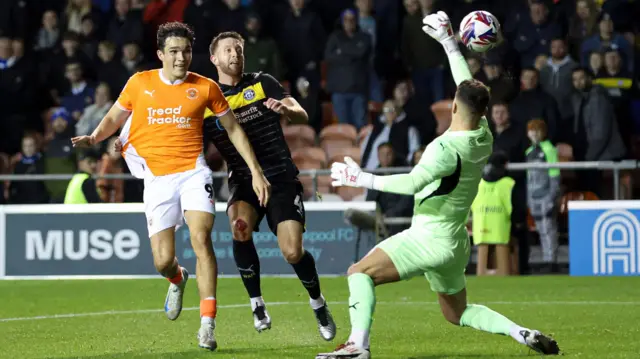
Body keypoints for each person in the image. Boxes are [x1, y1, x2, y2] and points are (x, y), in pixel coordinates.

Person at [316, 12, 560, 359]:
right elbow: (468, 86)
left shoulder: (446, 148)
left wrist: (361, 178)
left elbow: (414, 182)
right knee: (456, 313)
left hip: (428, 235)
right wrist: (449, 43)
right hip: (455, 240)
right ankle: (518, 331)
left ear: (456, 104)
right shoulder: (483, 135)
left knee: (359, 272)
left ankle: (358, 344)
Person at [71, 22, 270, 351]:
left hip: (193, 172)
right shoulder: (140, 83)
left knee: (201, 238)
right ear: (161, 54)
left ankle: (207, 324)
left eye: (187, 51)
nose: (181, 58)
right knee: (163, 261)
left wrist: (255, 170)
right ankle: (177, 279)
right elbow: (115, 117)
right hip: (158, 180)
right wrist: (95, 137)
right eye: (174, 52)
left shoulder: (205, 87)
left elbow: (234, 130)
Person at [202, 31, 336, 341]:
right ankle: (257, 304)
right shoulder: (208, 99)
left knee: (292, 252)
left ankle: (318, 304)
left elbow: (301, 113)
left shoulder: (261, 83)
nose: (235, 53)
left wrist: (287, 110)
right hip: (243, 180)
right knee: (239, 228)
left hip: (280, 178)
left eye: (239, 48)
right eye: (228, 50)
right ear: (214, 59)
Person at [525, 119, 561, 273]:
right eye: (531, 130)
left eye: (536, 130)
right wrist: (529, 197)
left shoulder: (549, 149)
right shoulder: (528, 152)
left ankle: (552, 260)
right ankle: (546, 258)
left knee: (548, 227)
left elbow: (554, 175)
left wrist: (552, 196)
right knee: (540, 228)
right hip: (534, 196)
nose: (533, 133)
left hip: (546, 195)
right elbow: (528, 177)